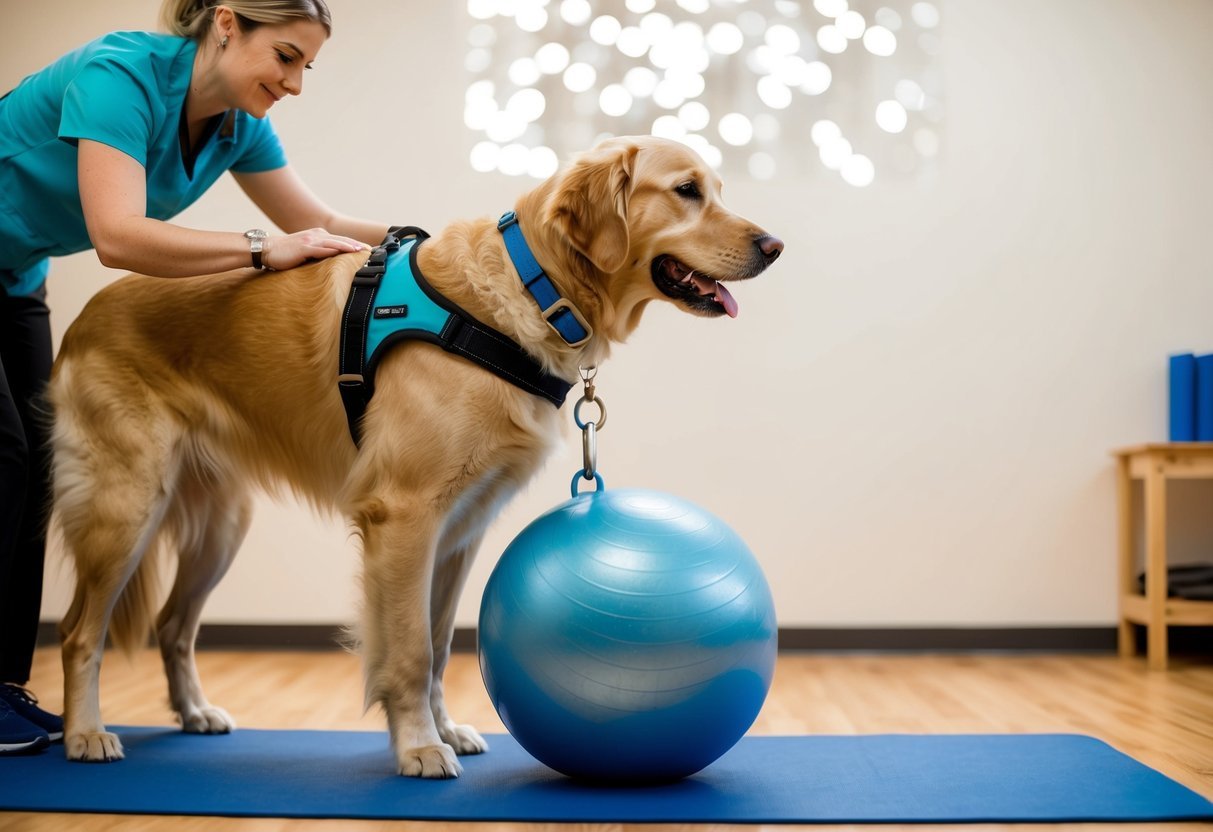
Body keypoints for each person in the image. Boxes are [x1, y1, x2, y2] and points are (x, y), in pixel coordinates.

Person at [0, 0, 389, 754]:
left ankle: (2, 692)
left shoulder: (239, 123)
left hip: (15, 274)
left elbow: (321, 221)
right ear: (223, 23)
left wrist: (436, 244)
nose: (296, 83)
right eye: (285, 57)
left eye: (307, 66)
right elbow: (118, 237)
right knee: (5, 459)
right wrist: (259, 250)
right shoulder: (121, 76)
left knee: (36, 477)